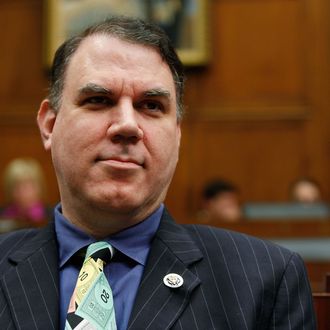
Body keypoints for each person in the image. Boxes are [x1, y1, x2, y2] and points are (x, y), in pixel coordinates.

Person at [0, 16, 316, 329]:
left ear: (176, 135)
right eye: (98, 100)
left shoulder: (263, 279)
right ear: (49, 125)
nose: (127, 125)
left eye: (151, 105)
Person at [0, 157, 52, 224]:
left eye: (28, 185)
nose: (23, 192)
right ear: (9, 190)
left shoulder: (52, 217)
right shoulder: (3, 217)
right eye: (17, 186)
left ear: (40, 187)